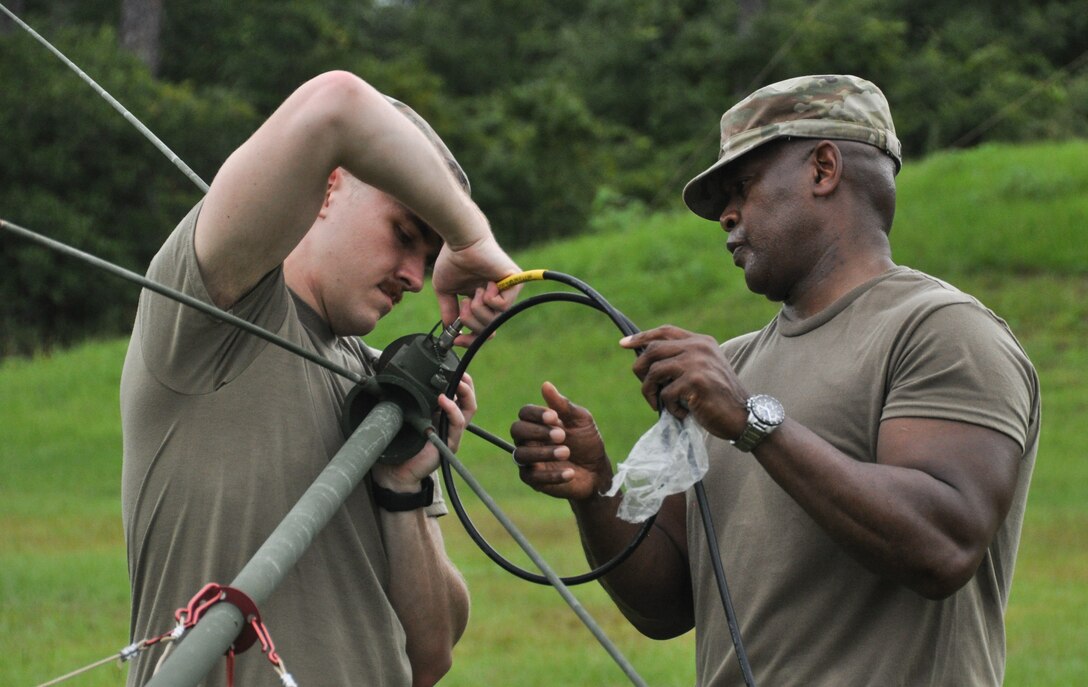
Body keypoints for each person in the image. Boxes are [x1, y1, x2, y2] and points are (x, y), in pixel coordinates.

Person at [510, 74, 1040, 685]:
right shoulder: (730, 367)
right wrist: (595, 489)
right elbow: (668, 605)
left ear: (823, 169)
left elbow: (943, 545)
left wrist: (751, 422)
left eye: (743, 186)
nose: (727, 216)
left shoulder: (941, 331)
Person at [120, 70, 520, 687]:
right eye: (405, 235)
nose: (416, 276)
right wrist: (471, 237)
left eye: (431, 256)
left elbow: (430, 655)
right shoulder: (215, 315)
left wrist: (403, 489)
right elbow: (336, 105)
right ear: (329, 188)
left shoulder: (380, 383)